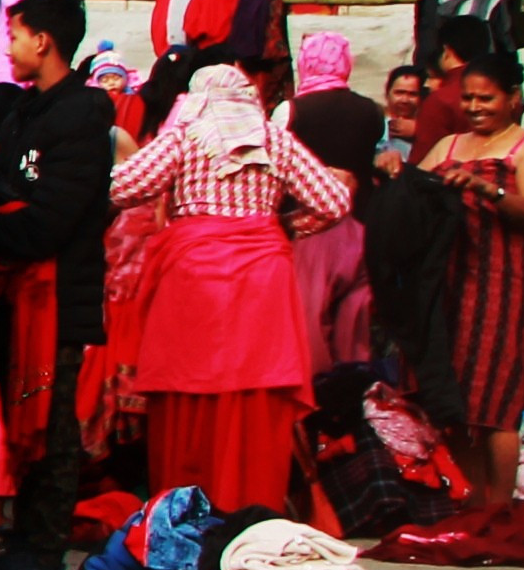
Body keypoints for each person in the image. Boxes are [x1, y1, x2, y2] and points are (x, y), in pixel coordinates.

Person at [108, 62, 354, 508]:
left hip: (193, 276)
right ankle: (250, 503)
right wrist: (286, 225)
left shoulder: (186, 135)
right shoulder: (274, 140)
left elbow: (123, 187)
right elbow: (335, 201)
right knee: (254, 394)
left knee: (189, 390)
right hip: (262, 277)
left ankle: (184, 510)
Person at [0, 0, 114, 570]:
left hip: (58, 297)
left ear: (43, 41)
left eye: (15, 34)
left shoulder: (84, 112)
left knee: (53, 432)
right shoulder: (21, 114)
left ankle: (44, 556)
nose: (8, 47)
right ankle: (20, 545)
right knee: (16, 427)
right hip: (15, 295)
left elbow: (49, 221)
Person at [418, 44, 524, 508]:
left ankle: (500, 508)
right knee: (456, 399)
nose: (475, 108)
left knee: (497, 402)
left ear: (514, 98)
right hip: (452, 284)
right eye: (469, 99)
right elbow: (414, 196)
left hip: (503, 283)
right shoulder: (449, 145)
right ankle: (469, 500)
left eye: (487, 99)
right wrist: (393, 170)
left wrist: (486, 188)